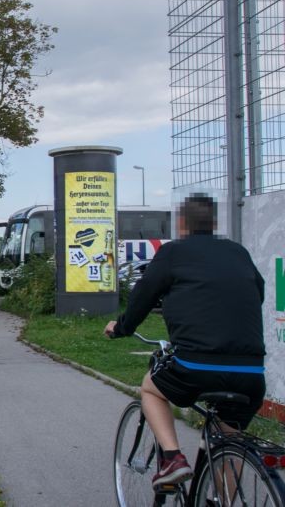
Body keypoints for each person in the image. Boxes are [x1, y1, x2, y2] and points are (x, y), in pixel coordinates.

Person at [104, 194, 266, 489]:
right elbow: (259, 292)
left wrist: (122, 328)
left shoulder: (173, 253)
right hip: (251, 373)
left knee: (151, 389)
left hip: (195, 365)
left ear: (181, 223)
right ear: (213, 223)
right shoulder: (238, 252)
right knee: (229, 444)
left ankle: (172, 459)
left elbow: (143, 297)